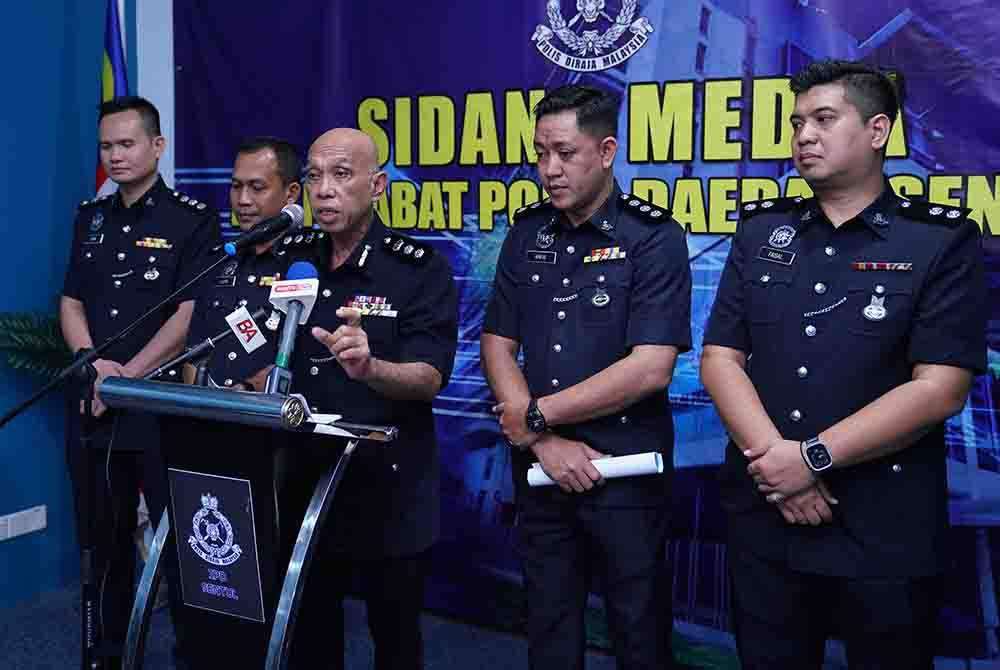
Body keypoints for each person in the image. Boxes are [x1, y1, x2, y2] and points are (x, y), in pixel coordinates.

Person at [700, 59, 987, 669]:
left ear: (878, 131)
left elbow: (940, 389)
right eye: (797, 121)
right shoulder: (761, 232)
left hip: (884, 527)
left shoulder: (940, 239)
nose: (803, 134)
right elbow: (721, 359)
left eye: (824, 119)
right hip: (767, 514)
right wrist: (779, 468)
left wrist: (810, 459)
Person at [480, 84, 692, 669]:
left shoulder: (653, 237)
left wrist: (536, 418)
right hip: (542, 466)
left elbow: (650, 368)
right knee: (548, 626)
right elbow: (497, 342)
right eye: (540, 152)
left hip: (625, 470)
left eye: (565, 153)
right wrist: (542, 440)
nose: (549, 168)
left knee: (638, 629)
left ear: (605, 151)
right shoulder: (527, 232)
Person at [281, 127, 458, 670]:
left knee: (394, 635)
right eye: (314, 176)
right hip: (304, 477)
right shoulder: (292, 258)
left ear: (378, 184)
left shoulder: (416, 267)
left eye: (342, 174)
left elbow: (430, 376)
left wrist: (370, 367)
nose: (325, 190)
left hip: (389, 481)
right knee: (309, 629)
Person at [59, 95, 220, 666]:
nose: (116, 155)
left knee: (180, 548)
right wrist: (91, 363)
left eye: (127, 144)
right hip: (95, 402)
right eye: (107, 146)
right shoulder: (91, 217)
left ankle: (190, 654)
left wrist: (129, 375)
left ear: (157, 146)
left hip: (157, 406)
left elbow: (190, 314)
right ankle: (108, 653)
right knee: (104, 544)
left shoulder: (192, 219)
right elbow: (72, 299)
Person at [183, 136, 302, 390]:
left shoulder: (305, 264)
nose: (243, 200)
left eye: (257, 188)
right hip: (205, 419)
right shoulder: (221, 260)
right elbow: (193, 353)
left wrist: (247, 392)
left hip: (269, 421)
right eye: (236, 186)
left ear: (291, 193)